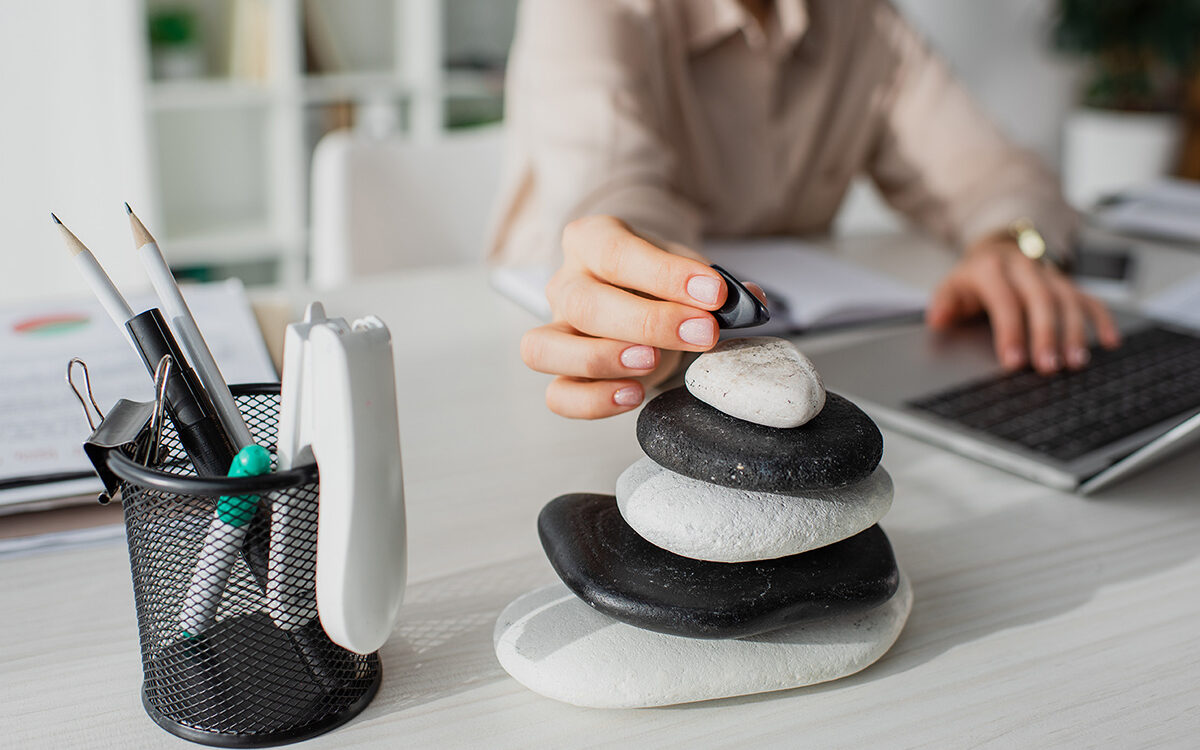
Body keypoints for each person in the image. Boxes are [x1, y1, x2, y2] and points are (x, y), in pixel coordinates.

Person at [488, 0, 1120, 419]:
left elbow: (998, 172)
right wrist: (649, 281)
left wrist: (1010, 244)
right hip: (545, 365)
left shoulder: (859, 21)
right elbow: (617, 186)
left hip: (791, 363)